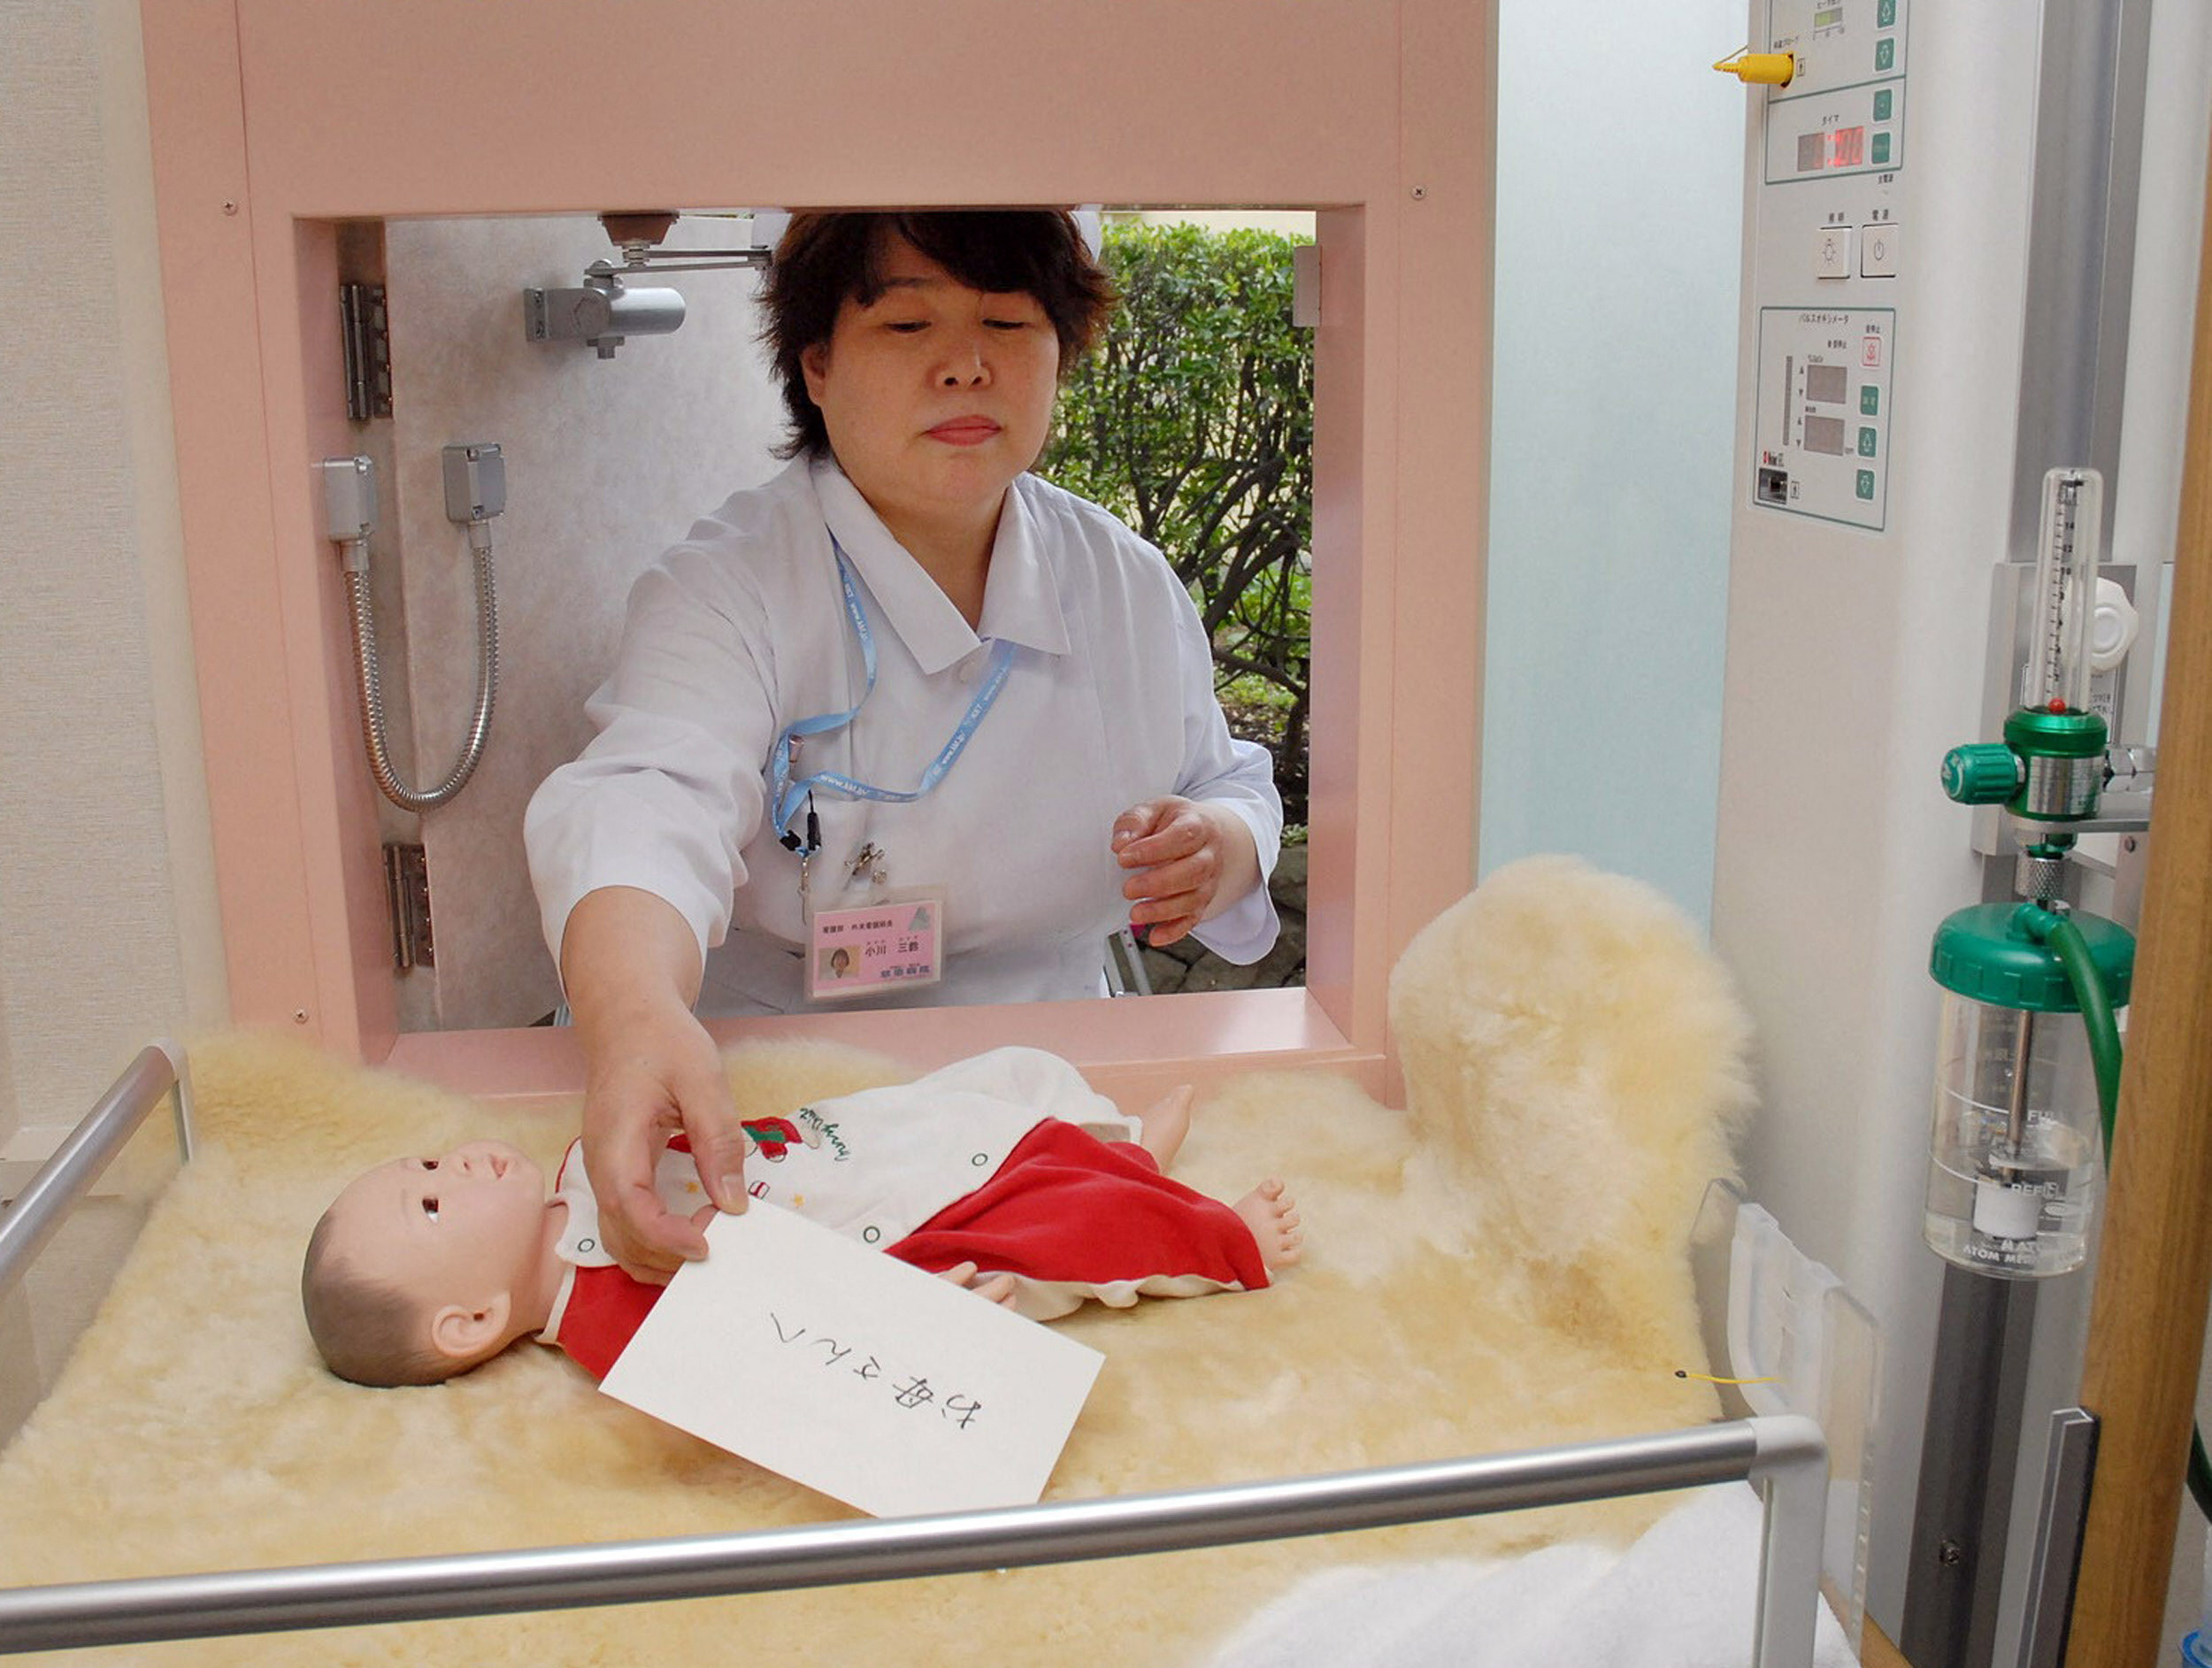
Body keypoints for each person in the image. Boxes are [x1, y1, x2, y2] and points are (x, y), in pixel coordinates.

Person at [523, 211, 1285, 1282]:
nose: (966, 365)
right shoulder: (727, 587)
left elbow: (1227, 777)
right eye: (907, 323)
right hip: (782, 1079)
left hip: (1049, 1078)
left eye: (1009, 322)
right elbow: (648, 799)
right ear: (818, 364)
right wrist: (633, 1010)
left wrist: (1222, 844)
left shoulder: (1122, 581)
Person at [301, 1048, 1303, 1388]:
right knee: (1060, 1234)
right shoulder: (614, 1333)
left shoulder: (581, 1162)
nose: (453, 1162)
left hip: (842, 1153)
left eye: (425, 1158)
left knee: (997, 1092)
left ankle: (1124, 1143)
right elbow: (785, 1361)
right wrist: (911, 1317)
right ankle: (1219, 1235)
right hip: (897, 1236)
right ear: (471, 1318)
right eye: (432, 1197)